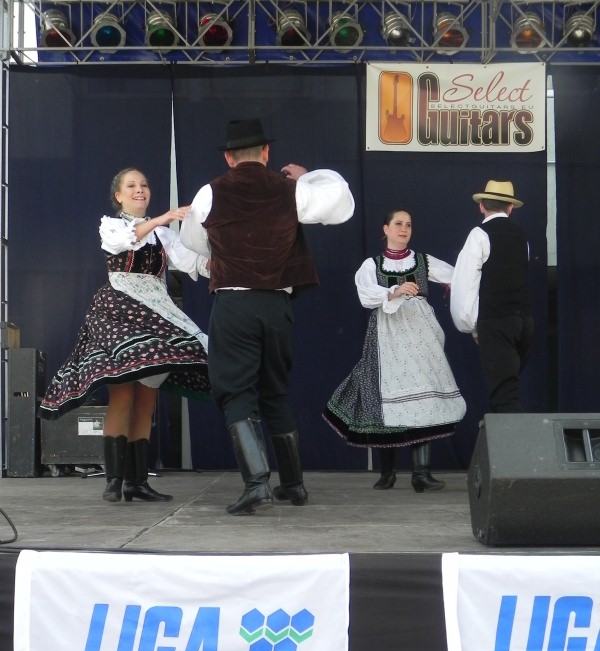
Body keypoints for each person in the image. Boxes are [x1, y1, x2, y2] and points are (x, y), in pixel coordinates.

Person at [180, 118, 354, 515]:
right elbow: (341, 201)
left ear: (229, 157)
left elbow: (194, 241)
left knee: (235, 391)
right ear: (266, 152)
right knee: (275, 390)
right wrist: (306, 177)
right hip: (276, 306)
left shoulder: (209, 192)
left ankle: (257, 483)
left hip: (234, 304)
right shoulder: (291, 190)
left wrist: (229, 250)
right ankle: (293, 485)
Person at [39, 167, 211, 503]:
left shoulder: (163, 235)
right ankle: (114, 480)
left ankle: (137, 481)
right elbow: (123, 241)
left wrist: (229, 260)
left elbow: (193, 262)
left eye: (144, 185)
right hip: (119, 312)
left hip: (156, 312)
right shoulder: (112, 225)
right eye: (131, 186)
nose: (139, 190)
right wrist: (162, 218)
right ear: (118, 195)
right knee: (122, 396)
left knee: (146, 401)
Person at [323, 208, 466, 492]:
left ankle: (421, 474)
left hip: (421, 335)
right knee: (386, 395)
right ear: (385, 229)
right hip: (387, 335)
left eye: (408, 224)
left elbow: (459, 276)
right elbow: (366, 295)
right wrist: (394, 291)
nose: (404, 229)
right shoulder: (372, 265)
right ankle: (387, 472)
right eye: (398, 224)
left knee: (423, 398)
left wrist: (458, 284)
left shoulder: (423, 261)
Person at [450, 180, 533, 413]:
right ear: (511, 208)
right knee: (508, 385)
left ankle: (512, 437)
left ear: (481, 206)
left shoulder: (479, 235)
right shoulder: (521, 236)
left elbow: (466, 284)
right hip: (525, 322)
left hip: (496, 322)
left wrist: (472, 326)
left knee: (504, 394)